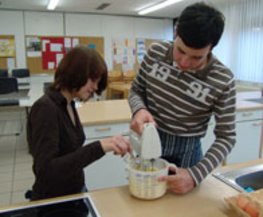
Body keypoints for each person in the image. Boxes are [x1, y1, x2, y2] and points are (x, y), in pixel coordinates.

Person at [128, 2, 236, 194]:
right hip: (149, 141)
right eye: (180, 50)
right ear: (176, 32)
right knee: (145, 199)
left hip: (188, 154)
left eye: (197, 57)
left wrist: (195, 175)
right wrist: (139, 109)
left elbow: (226, 137)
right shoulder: (155, 53)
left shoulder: (223, 79)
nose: (184, 62)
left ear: (211, 48)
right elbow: (136, 90)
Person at [27, 46, 131, 200]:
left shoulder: (69, 104)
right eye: (93, 80)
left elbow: (71, 154)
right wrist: (99, 147)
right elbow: (46, 171)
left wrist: (109, 142)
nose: (95, 87)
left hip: (75, 191)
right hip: (55, 200)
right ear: (77, 72)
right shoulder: (46, 108)